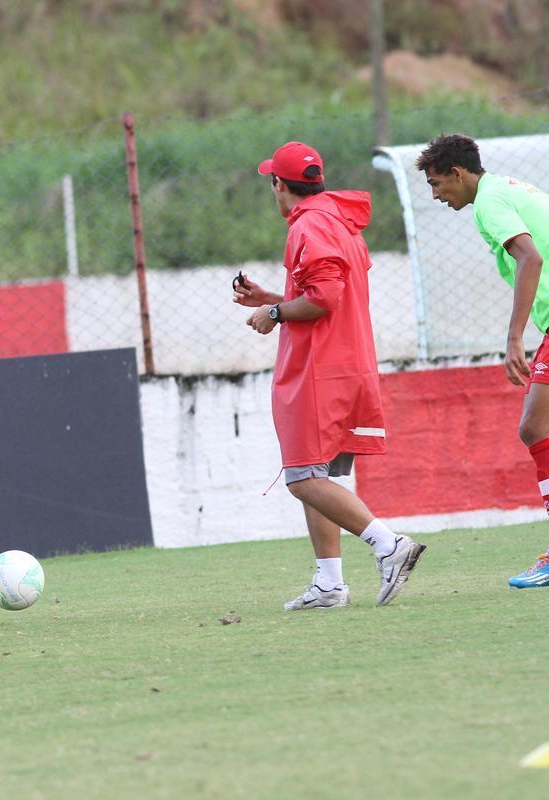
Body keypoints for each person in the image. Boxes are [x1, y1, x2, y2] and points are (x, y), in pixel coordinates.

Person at [234, 141, 425, 610]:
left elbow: (324, 298)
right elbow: (325, 291)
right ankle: (329, 584)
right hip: (345, 362)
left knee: (302, 477)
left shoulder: (309, 225)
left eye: (271, 182)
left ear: (279, 184)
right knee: (319, 479)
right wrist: (272, 297)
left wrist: (275, 312)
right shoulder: (336, 219)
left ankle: (389, 545)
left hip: (319, 371)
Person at [417, 134, 549, 587]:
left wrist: (514, 338)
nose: (435, 195)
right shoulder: (509, 188)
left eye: (436, 184)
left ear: (458, 173)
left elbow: (530, 257)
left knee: (535, 427)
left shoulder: (490, 203)